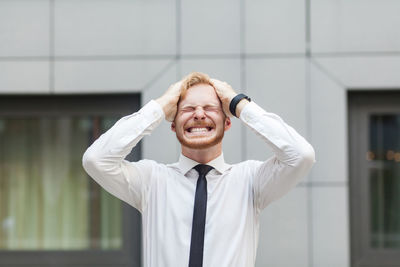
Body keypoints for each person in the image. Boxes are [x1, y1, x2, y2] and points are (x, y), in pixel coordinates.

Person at [82, 72, 316, 267]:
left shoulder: (251, 181)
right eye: (188, 109)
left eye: (210, 108)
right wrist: (160, 106)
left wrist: (238, 103)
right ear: (172, 125)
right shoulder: (151, 181)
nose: (199, 114)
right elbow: (96, 159)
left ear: (227, 121)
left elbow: (301, 155)